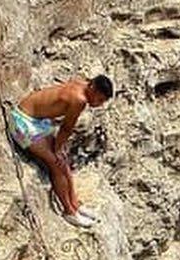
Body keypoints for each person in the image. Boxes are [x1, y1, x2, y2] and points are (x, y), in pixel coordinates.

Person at [8, 74, 113, 226]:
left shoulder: (81, 84)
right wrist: (57, 148)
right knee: (56, 163)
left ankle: (76, 206)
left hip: (37, 120)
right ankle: (69, 212)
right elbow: (66, 128)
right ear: (93, 88)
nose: (100, 104)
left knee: (63, 161)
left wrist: (59, 148)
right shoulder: (79, 100)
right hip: (21, 122)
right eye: (100, 99)